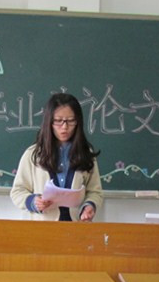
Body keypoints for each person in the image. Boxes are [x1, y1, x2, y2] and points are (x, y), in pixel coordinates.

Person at [10, 92, 103, 221]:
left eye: (70, 121)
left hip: (76, 227)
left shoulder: (86, 153)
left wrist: (89, 206)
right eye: (58, 121)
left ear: (78, 122)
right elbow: (17, 191)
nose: (64, 127)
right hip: (43, 228)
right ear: (49, 122)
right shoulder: (33, 154)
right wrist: (33, 201)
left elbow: (95, 192)